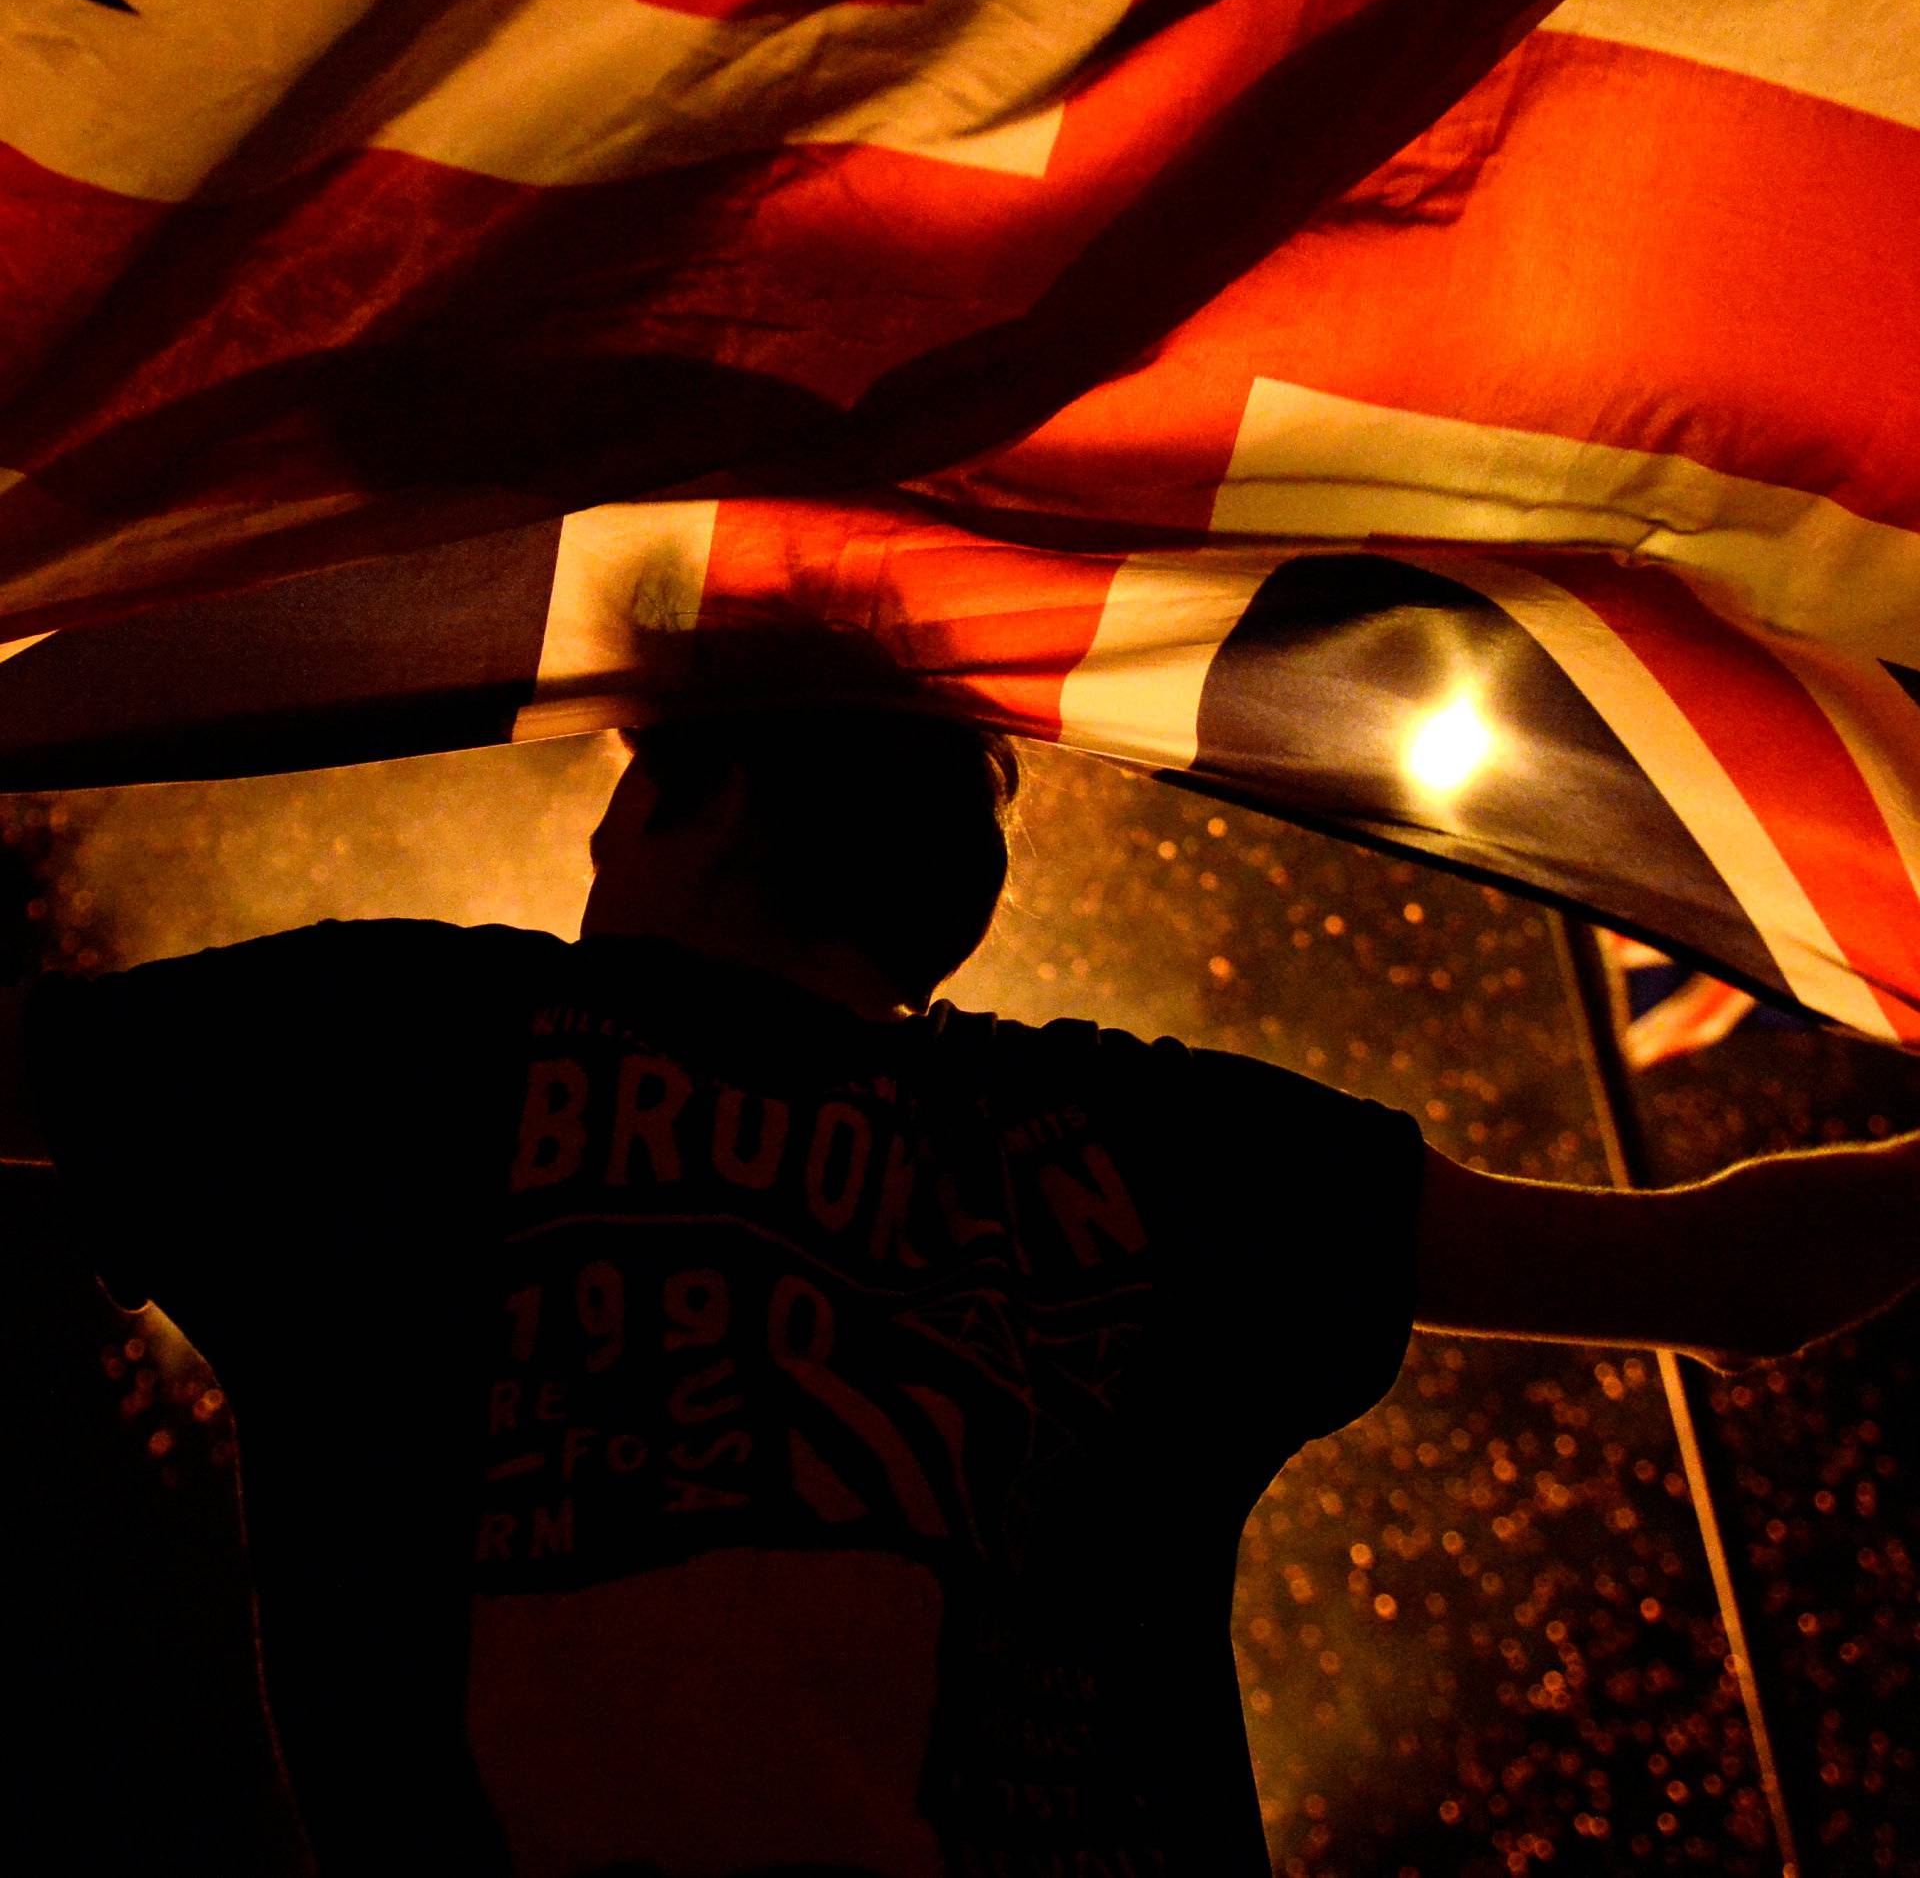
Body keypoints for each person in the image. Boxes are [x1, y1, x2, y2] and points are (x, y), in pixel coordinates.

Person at [1, 624, 1917, 1878]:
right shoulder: (1153, 1146)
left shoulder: (394, 1051)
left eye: (611, 806)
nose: (594, 862)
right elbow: (1735, 1278)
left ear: (700, 803)